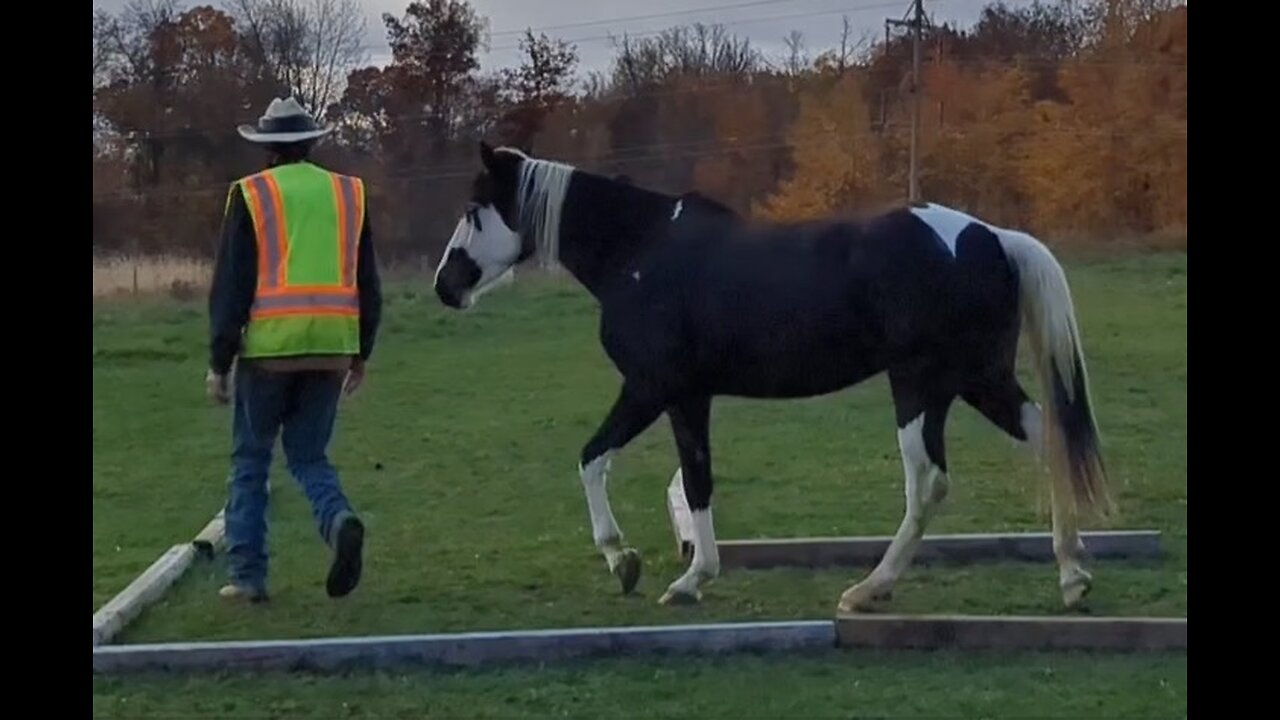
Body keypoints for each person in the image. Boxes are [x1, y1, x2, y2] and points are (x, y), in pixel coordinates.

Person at [205, 97, 382, 603]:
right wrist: (361, 352)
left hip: (268, 352)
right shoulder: (349, 194)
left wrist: (219, 361)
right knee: (308, 456)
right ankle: (338, 518)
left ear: (266, 148)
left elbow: (232, 284)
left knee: (251, 461)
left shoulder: (251, 194)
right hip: (331, 350)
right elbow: (367, 280)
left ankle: (248, 576)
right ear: (311, 143)